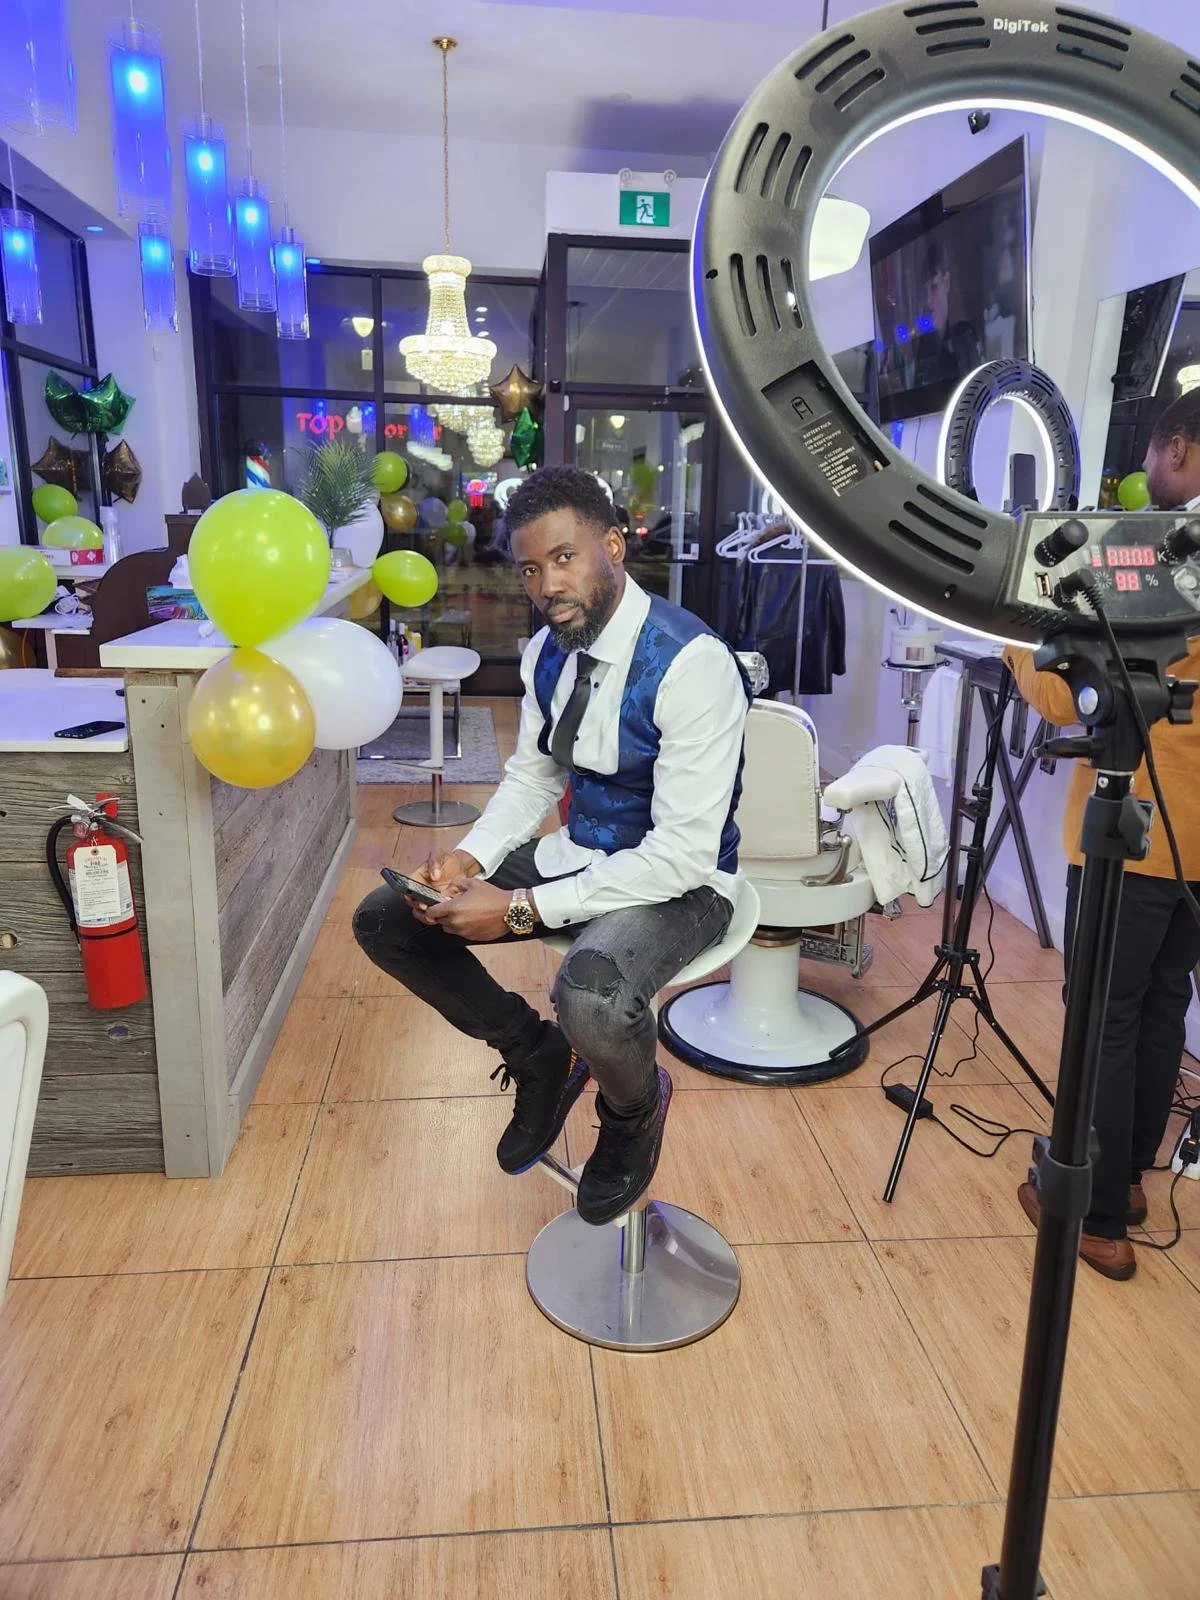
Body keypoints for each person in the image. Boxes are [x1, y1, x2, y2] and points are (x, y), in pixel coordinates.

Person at [353, 466, 751, 1225]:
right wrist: (471, 858)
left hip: (686, 887)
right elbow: (533, 779)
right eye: (532, 568)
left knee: (590, 994)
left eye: (564, 558)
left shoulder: (691, 664)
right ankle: (537, 1056)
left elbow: (681, 856)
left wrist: (520, 910)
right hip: (584, 853)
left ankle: (634, 1110)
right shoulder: (548, 653)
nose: (548, 585)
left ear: (612, 546)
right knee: (388, 917)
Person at [1004, 389, 1200, 1280]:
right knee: (1162, 1010)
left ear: (1181, 449)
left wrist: (1015, 624)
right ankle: (1129, 1182)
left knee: (1105, 1021)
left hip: (1140, 830)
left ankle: (1096, 1210)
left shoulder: (1163, 558)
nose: (1148, 474)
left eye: (1157, 453)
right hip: (1197, 850)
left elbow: (1071, 693)